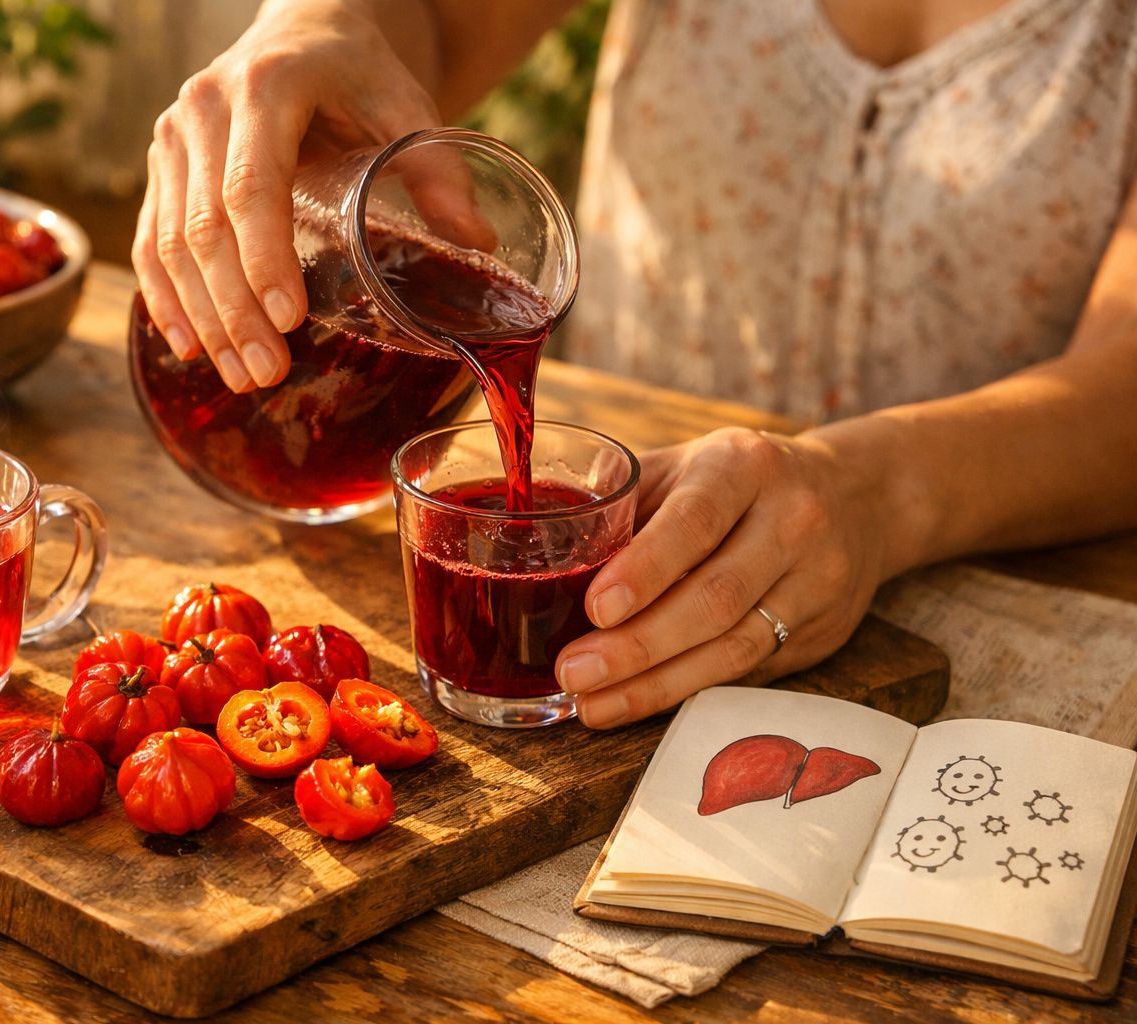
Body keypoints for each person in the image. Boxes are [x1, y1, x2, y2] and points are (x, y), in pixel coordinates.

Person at [131, 0, 1137, 729]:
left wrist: (880, 492)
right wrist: (316, 22)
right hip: (643, 522)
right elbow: (425, 18)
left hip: (1017, 578)